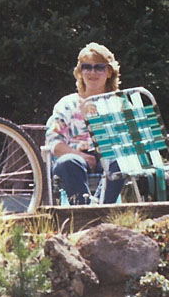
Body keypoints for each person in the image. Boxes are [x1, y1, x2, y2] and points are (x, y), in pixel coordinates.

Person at [45, 43, 125, 205]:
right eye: (86, 67)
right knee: (68, 162)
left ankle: (102, 211)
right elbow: (53, 142)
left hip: (109, 157)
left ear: (109, 72)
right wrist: (79, 155)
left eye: (99, 68)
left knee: (122, 162)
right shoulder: (67, 104)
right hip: (75, 156)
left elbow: (129, 141)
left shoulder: (119, 104)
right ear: (80, 72)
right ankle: (85, 212)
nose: (92, 72)